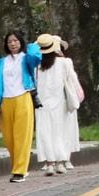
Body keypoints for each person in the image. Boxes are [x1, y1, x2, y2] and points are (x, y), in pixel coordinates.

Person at [0, 30, 42, 182]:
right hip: (6, 101)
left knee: (22, 136)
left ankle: (19, 171)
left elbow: (36, 57)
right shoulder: (3, 62)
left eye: (15, 41)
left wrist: (32, 45)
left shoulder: (26, 58)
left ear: (21, 42)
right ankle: (17, 167)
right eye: (9, 42)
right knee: (9, 138)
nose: (12, 44)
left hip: (23, 97)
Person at [35, 34, 80, 175]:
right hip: (60, 102)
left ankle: (49, 164)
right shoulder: (65, 62)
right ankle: (61, 163)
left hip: (41, 104)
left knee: (45, 133)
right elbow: (72, 81)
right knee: (60, 132)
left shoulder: (37, 65)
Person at [56, 37, 83, 168]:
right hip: (53, 101)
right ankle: (56, 159)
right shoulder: (41, 65)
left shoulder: (66, 62)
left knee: (67, 129)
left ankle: (66, 158)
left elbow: (72, 80)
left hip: (66, 100)